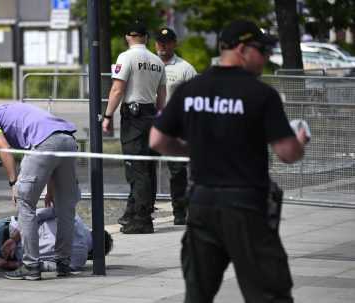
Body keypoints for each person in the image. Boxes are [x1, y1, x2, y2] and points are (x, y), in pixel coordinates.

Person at [150, 20, 309, 302]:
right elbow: (287, 153)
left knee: (198, 294)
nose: (266, 58)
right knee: (268, 293)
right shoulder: (260, 94)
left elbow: (157, 141)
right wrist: (300, 141)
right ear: (242, 49)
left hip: (201, 206)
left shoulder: (191, 89)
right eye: (262, 50)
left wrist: (195, 151)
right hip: (246, 206)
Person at [0, 103, 81, 281]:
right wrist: (50, 190)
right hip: (67, 140)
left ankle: (30, 265)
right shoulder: (11, 111)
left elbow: (4, 149)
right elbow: (51, 157)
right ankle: (63, 263)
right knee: (65, 209)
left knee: (25, 204)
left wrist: (14, 182)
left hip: (44, 143)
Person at [102, 20, 166, 234]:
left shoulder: (126, 57)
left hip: (134, 116)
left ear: (128, 36)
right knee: (147, 167)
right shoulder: (157, 61)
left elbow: (117, 90)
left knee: (135, 168)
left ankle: (141, 219)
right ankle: (135, 212)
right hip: (151, 115)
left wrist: (107, 115)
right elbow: (162, 96)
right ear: (146, 37)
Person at [0, 207, 114, 272]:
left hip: (7, 231)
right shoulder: (78, 260)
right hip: (11, 255)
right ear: (94, 255)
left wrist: (13, 239)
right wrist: (5, 264)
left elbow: (35, 215)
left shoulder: (73, 217)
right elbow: (42, 265)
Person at [154, 27, 197, 225]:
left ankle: (180, 212)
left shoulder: (185, 69)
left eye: (167, 41)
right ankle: (143, 211)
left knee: (178, 171)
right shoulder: (148, 64)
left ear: (174, 43)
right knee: (143, 169)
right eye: (160, 41)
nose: (163, 45)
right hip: (149, 124)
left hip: (176, 127)